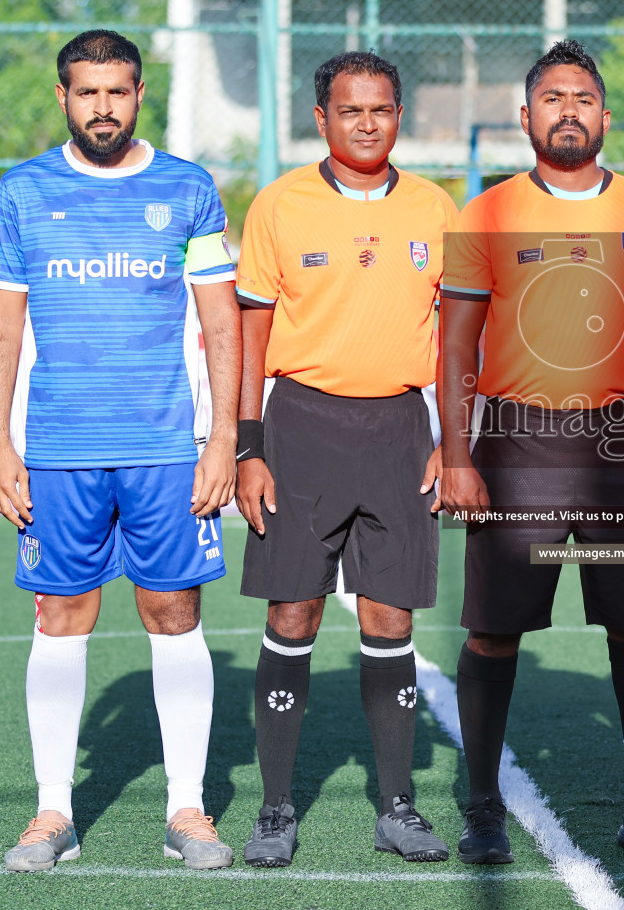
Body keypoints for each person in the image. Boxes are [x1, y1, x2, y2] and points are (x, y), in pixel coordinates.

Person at [438, 40, 624, 865]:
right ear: (525, 117)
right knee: (493, 632)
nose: (568, 112)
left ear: (605, 115)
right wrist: (457, 456)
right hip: (519, 445)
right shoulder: (481, 213)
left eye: (582, 98)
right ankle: (482, 809)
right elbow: (454, 349)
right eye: (552, 99)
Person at [0, 30, 239, 872]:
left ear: (139, 93)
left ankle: (188, 810)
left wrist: (225, 437)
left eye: (118, 91)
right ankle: (53, 812)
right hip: (58, 449)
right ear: (63, 97)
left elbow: (220, 319)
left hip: (166, 447)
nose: (103, 107)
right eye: (87, 92)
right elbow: (3, 323)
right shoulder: (22, 192)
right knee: (62, 616)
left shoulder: (188, 187)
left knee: (174, 614)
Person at [233, 52, 455, 866]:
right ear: (320, 118)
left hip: (400, 429)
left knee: (390, 618)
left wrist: (454, 438)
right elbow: (249, 330)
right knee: (293, 613)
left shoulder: (436, 207)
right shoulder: (280, 205)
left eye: (383, 109)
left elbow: (460, 335)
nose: (368, 123)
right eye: (350, 110)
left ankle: (399, 806)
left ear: (401, 115)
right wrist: (247, 446)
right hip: (300, 426)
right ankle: (274, 809)